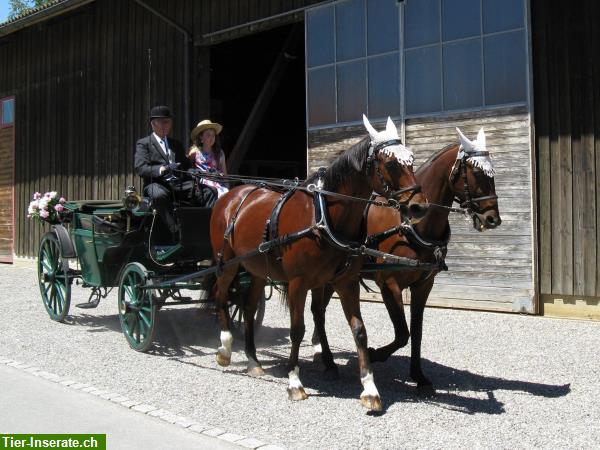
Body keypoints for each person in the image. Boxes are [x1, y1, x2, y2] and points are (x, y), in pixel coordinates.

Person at [134, 106, 217, 241]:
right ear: (153, 123)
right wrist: (161, 169)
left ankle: (209, 231)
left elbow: (186, 167)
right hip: (156, 183)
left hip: (179, 184)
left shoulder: (176, 144)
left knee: (210, 192)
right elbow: (140, 168)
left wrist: (196, 172)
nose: (165, 125)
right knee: (159, 195)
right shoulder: (144, 144)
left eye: (168, 122)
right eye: (162, 122)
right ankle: (176, 230)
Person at [188, 119, 229, 197]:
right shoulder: (194, 152)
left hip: (217, 183)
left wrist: (224, 181)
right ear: (201, 137)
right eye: (208, 135)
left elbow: (225, 174)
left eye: (213, 135)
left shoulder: (219, 153)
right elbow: (188, 169)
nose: (211, 138)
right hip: (202, 185)